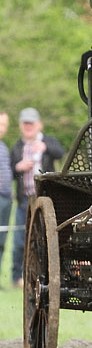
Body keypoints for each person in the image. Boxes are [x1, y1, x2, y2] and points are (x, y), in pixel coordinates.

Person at [10, 108, 64, 288]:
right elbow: (9, 172)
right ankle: (17, 277)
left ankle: (43, 276)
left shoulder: (48, 141)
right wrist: (19, 167)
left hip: (45, 199)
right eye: (25, 123)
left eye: (31, 123)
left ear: (38, 124)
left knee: (44, 239)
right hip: (24, 199)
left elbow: (60, 153)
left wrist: (45, 147)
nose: (28, 127)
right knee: (19, 241)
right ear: (21, 126)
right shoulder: (17, 147)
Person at [0, 112, 12, 282]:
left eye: (4, 125)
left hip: (6, 197)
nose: (1, 129)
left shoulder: (3, 146)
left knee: (2, 240)